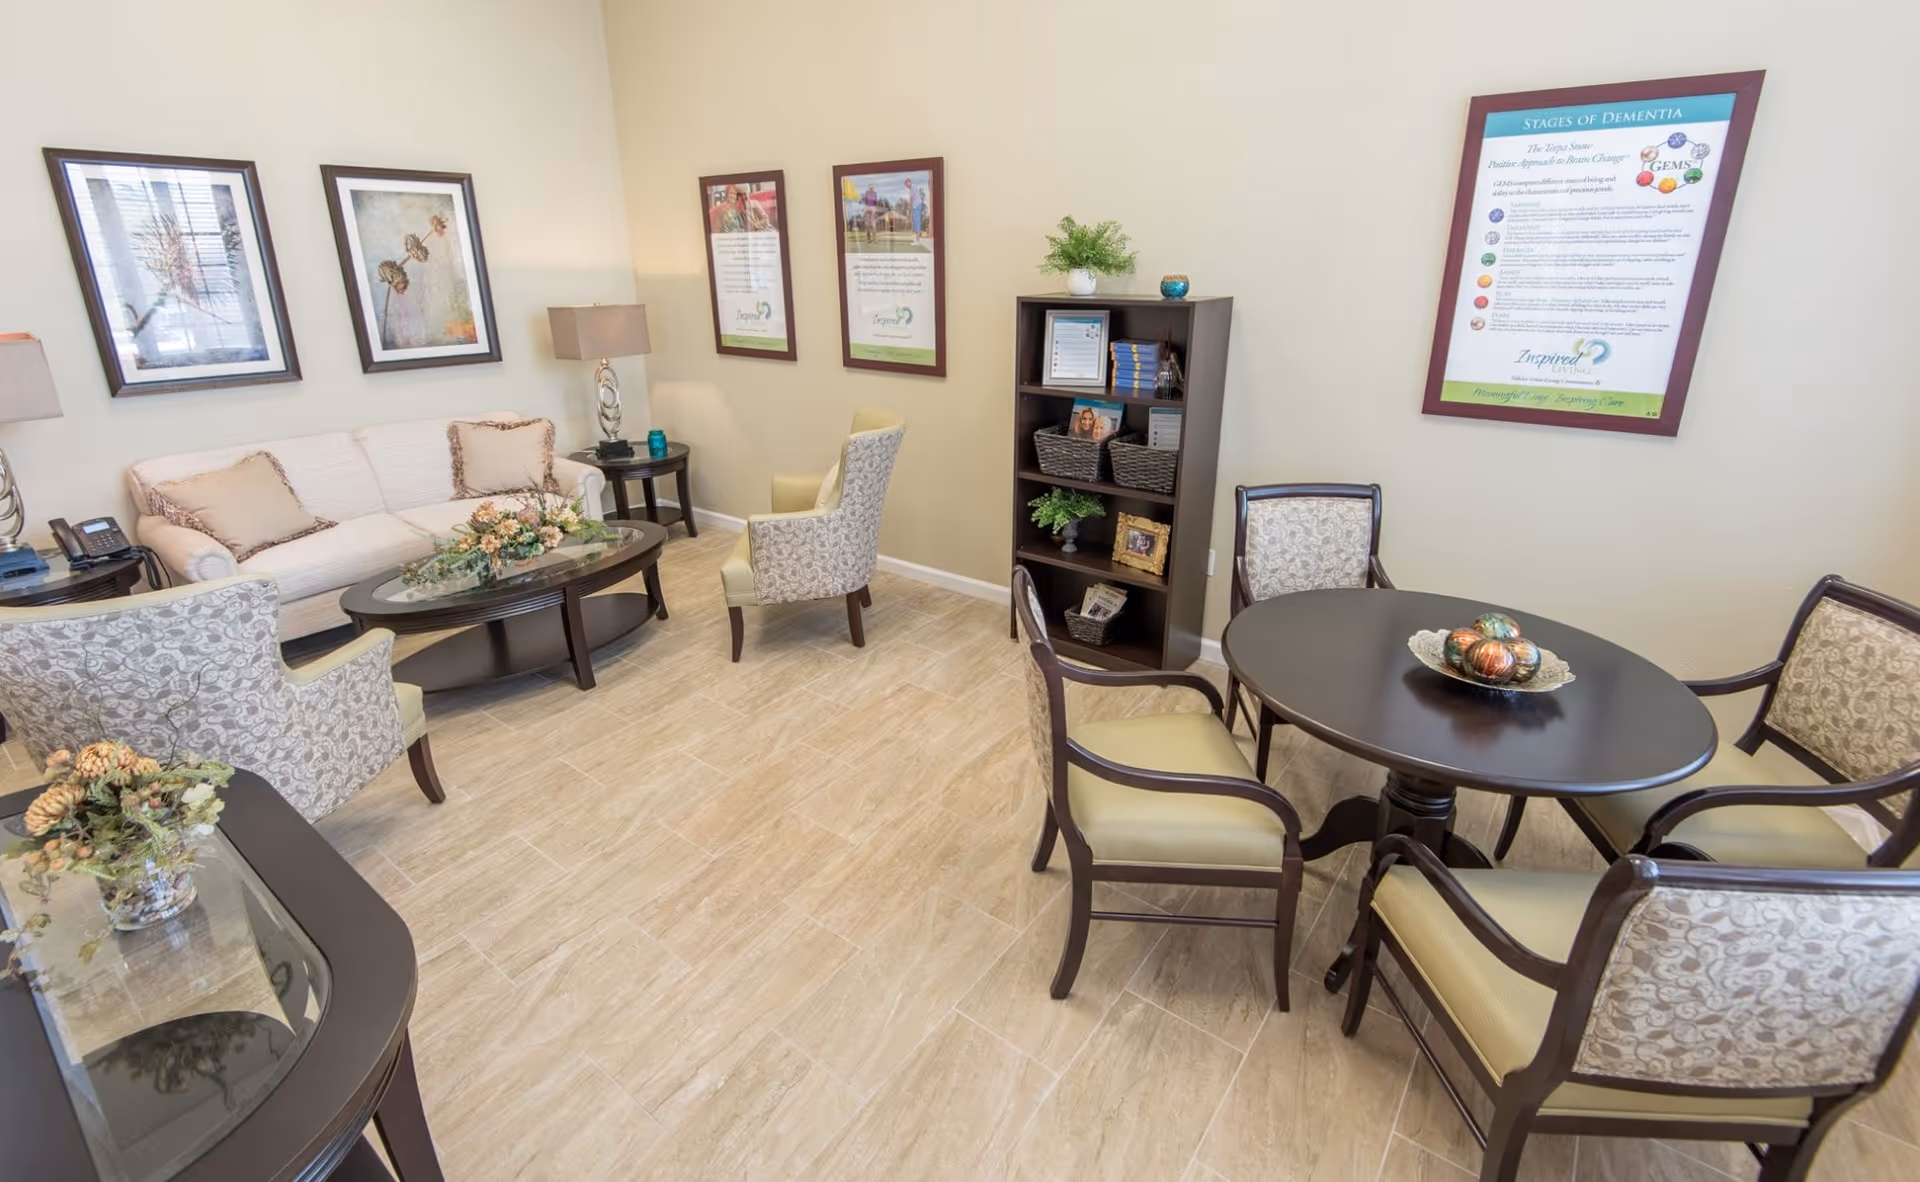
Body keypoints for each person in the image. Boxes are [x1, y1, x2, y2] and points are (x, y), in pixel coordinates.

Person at [906, 176, 924, 244]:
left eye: (907, 184)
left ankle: (918, 241)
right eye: (906, 185)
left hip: (917, 206)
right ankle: (917, 239)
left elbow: (912, 198)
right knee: (915, 221)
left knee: (917, 221)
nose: (906, 186)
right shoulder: (911, 188)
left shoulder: (913, 186)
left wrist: (908, 208)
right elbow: (911, 198)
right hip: (915, 206)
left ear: (909, 182)